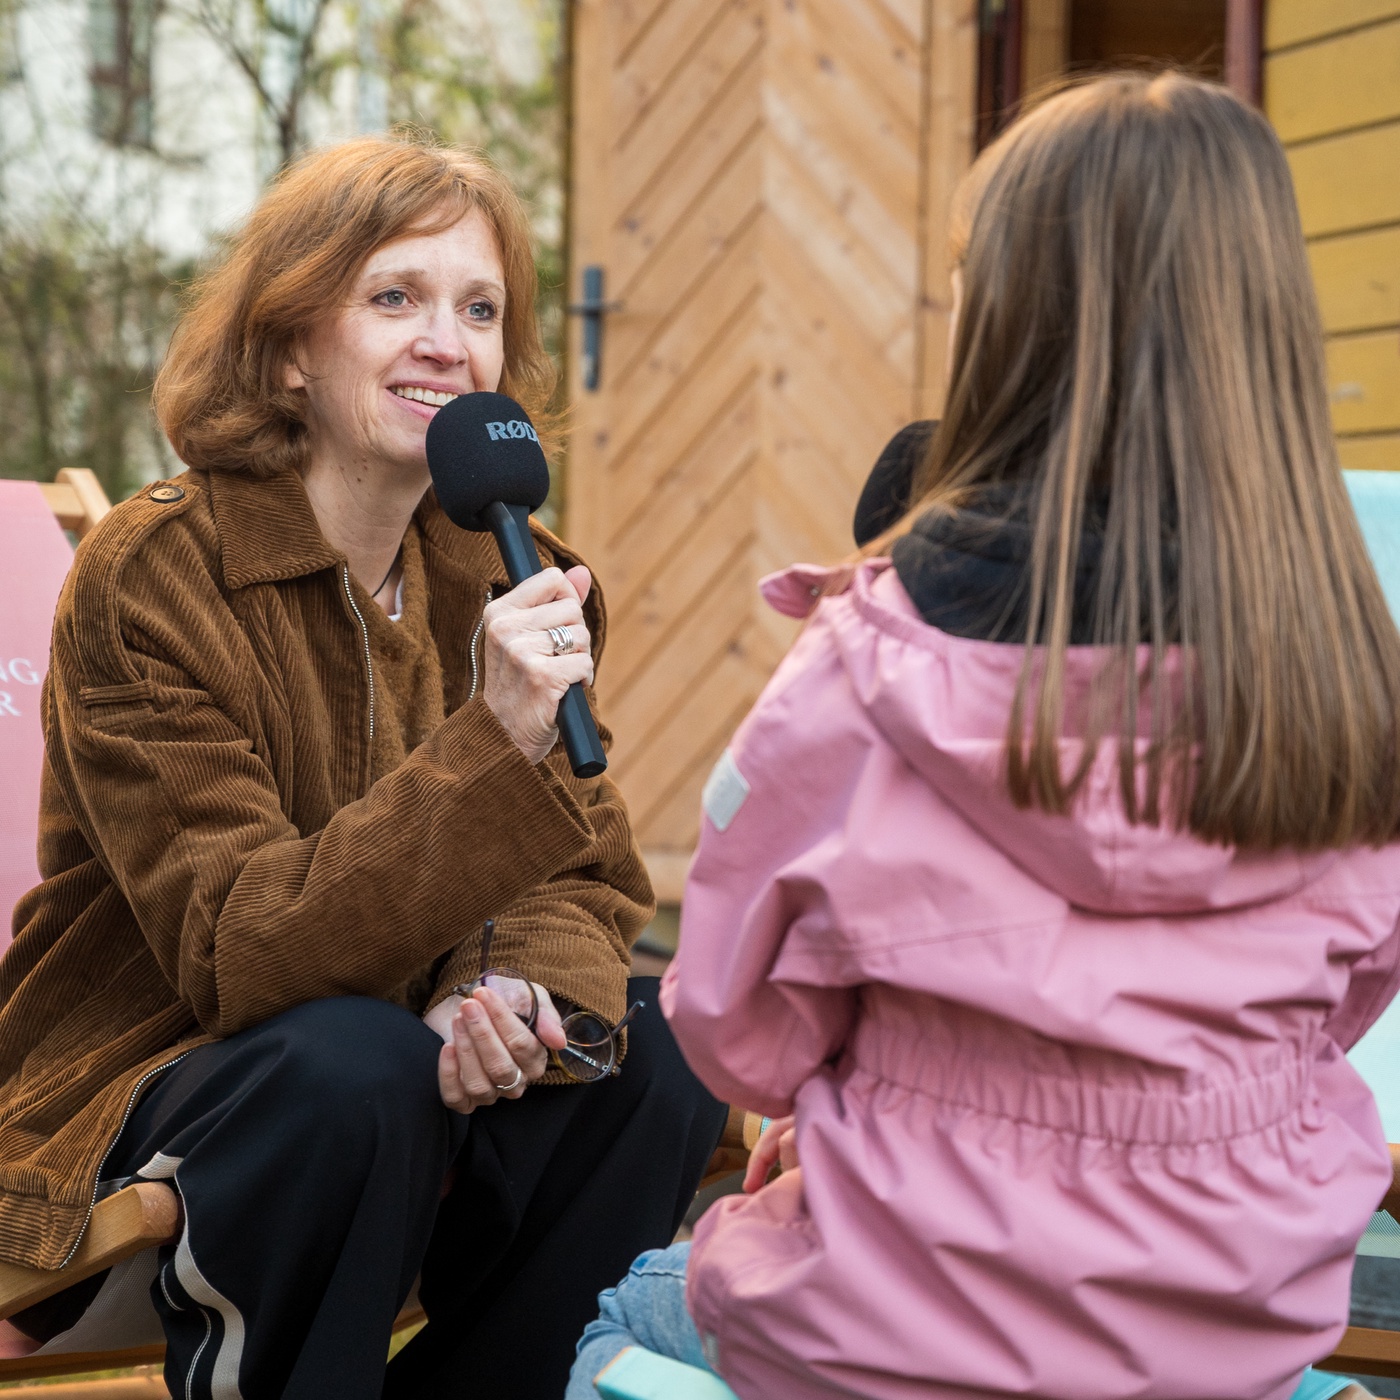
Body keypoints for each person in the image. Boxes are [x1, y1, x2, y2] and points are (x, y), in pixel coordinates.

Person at [565, 72, 1400, 1400]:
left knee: (620, 1317)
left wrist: (868, 1102)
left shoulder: (868, 658)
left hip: (897, 1324)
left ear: (1003, 325)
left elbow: (732, 1022)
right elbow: (1340, 1004)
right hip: (1230, 1332)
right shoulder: (1348, 677)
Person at [0, 136, 725, 1400]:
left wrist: (498, 994)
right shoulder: (157, 575)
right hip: (145, 1088)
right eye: (395, 297)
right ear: (290, 347)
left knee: (659, 1045)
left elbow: (584, 875)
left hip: (405, 1064)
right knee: (357, 1059)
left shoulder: (514, 571)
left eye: (479, 310)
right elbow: (241, 948)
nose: (447, 342)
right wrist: (493, 737)